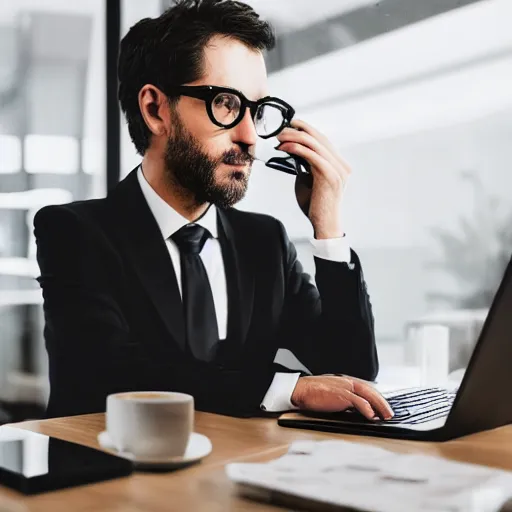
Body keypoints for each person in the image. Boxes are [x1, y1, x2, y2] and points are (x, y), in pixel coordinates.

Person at [35, 0, 393, 421]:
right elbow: (112, 376)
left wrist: (327, 226)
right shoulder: (75, 232)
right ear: (155, 110)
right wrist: (287, 388)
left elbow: (352, 375)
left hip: (237, 477)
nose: (249, 136)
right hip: (114, 477)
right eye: (226, 103)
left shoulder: (265, 242)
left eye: (257, 110)